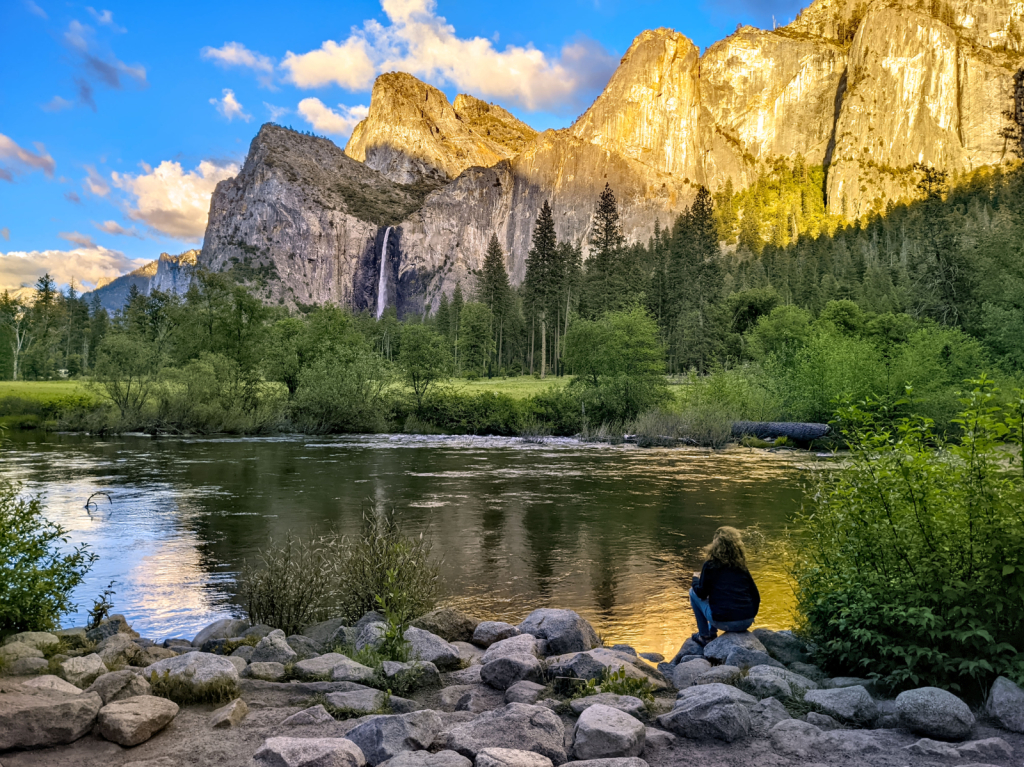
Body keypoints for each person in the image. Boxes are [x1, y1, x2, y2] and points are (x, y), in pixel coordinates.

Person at [688, 526, 760, 647]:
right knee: (719, 593)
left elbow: (701, 593)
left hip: (723, 622)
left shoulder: (710, 565)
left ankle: (704, 635)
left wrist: (695, 579)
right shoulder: (741, 567)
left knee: (692, 592)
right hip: (746, 621)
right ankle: (711, 631)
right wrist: (749, 615)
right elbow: (756, 597)